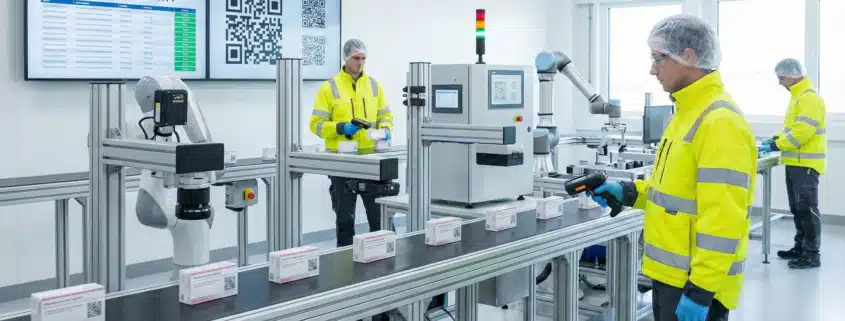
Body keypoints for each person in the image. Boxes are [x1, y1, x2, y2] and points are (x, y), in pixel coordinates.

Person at [590, 14, 756, 321]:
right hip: (670, 275)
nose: (652, 70)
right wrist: (628, 192)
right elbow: (673, 191)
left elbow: (723, 219)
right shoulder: (683, 114)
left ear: (688, 56)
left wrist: (701, 291)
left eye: (658, 59)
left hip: (693, 286)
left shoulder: (720, 122)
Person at [308, 38, 395, 321]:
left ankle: (383, 279)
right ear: (346, 58)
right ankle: (346, 280)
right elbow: (316, 125)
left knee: (378, 220)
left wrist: (384, 130)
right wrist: (341, 128)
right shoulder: (329, 87)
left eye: (364, 59)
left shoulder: (374, 85)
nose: (361, 63)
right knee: (345, 221)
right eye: (356, 58)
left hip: (370, 163)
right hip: (342, 164)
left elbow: (387, 116)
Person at [759, 58, 826, 269]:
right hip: (795, 163)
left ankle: (811, 255)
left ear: (793, 75)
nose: (780, 83)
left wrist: (776, 146)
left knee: (807, 210)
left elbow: (803, 132)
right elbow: (790, 129)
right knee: (797, 209)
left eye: (781, 78)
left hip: (805, 165)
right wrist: (774, 138)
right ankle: (800, 248)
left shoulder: (809, 98)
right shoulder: (797, 98)